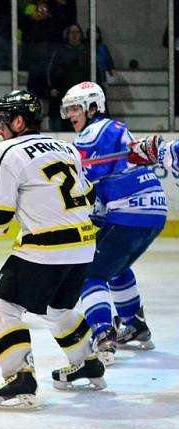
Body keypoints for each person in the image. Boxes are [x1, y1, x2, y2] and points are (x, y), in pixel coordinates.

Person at [0, 90, 105, 410]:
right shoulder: (66, 147)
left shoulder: (5, 150)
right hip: (84, 245)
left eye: (3, 121)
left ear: (19, 121)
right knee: (58, 310)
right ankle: (87, 362)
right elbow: (88, 199)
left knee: (2, 307)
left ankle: (20, 379)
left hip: (47, 246)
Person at [60, 82, 167, 364]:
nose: (70, 114)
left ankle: (103, 334)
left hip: (128, 209)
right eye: (68, 109)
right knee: (116, 267)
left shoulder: (96, 131)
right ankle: (135, 324)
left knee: (90, 274)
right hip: (153, 209)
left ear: (92, 107)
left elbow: (88, 178)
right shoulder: (113, 129)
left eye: (75, 108)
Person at [47, 23, 90, 131]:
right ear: (67, 35)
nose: (74, 35)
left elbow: (94, 71)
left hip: (83, 94)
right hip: (64, 93)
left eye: (77, 32)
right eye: (72, 32)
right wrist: (53, 87)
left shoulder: (87, 52)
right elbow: (52, 70)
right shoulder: (60, 51)